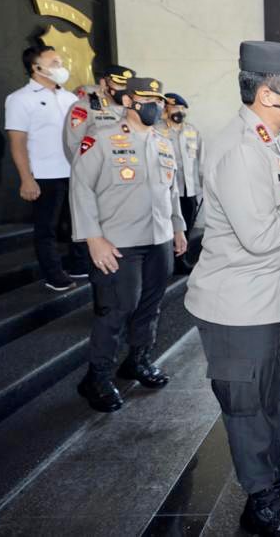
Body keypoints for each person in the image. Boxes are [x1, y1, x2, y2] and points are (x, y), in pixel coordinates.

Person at [186, 41, 280, 537]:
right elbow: (259, 235)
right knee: (247, 408)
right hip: (237, 308)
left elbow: (270, 207)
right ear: (271, 94)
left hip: (272, 299)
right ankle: (260, 500)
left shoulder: (268, 139)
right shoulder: (238, 147)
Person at [69, 76, 187, 413]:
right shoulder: (102, 139)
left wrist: (178, 228)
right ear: (128, 101)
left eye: (158, 99)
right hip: (117, 242)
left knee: (150, 306)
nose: (155, 104)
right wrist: (93, 237)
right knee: (116, 309)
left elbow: (171, 192)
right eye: (147, 98)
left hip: (159, 238)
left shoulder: (163, 142)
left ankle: (137, 360)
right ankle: (97, 376)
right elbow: (80, 188)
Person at [5, 45, 85, 292]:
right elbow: (17, 143)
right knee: (47, 228)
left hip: (74, 171)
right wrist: (26, 179)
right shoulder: (19, 99)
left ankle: (79, 264)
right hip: (44, 174)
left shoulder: (71, 98)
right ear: (36, 67)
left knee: (78, 224)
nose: (60, 68)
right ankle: (53, 274)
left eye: (60, 62)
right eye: (54, 63)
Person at [62, 64, 135, 160]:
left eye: (128, 86)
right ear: (104, 83)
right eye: (120, 84)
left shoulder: (133, 109)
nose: (125, 90)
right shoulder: (84, 107)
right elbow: (73, 145)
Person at [163, 92, 204, 234]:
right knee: (169, 232)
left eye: (182, 108)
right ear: (165, 109)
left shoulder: (192, 131)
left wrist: (203, 188)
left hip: (190, 191)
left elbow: (201, 161)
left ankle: (184, 256)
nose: (179, 112)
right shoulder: (157, 131)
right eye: (175, 108)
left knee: (188, 229)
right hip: (168, 192)